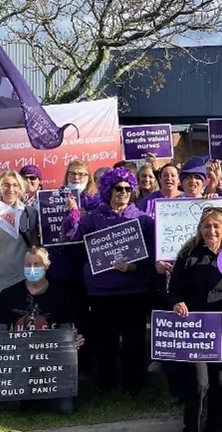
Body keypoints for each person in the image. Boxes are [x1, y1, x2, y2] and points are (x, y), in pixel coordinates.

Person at [63, 167, 155, 395]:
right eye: (118, 188)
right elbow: (72, 235)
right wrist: (73, 214)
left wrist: (134, 267)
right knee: (106, 341)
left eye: (127, 188)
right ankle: (106, 384)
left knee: (134, 342)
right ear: (108, 190)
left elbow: (152, 256)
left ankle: (133, 385)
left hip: (134, 291)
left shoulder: (143, 220)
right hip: (102, 292)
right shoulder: (95, 217)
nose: (123, 192)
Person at [168, 207, 222, 432]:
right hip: (196, 331)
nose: (211, 231)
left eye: (216, 227)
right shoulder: (188, 255)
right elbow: (174, 289)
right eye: (206, 226)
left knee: (220, 382)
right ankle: (191, 431)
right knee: (199, 383)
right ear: (200, 229)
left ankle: (214, 430)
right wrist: (177, 302)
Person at [0, 246, 84, 415]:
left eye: (37, 264)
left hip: (50, 363)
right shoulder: (8, 294)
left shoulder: (62, 295)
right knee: (14, 405)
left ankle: (43, 396)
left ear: (47, 266)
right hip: (19, 362)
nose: (32, 269)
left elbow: (67, 329)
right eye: (28, 265)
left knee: (66, 408)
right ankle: (30, 396)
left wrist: (73, 342)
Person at [0, 171, 39, 333]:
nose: (10, 189)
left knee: (21, 328)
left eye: (15, 185)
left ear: (21, 188)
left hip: (21, 279)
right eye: (6, 185)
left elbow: (34, 246)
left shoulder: (30, 213)